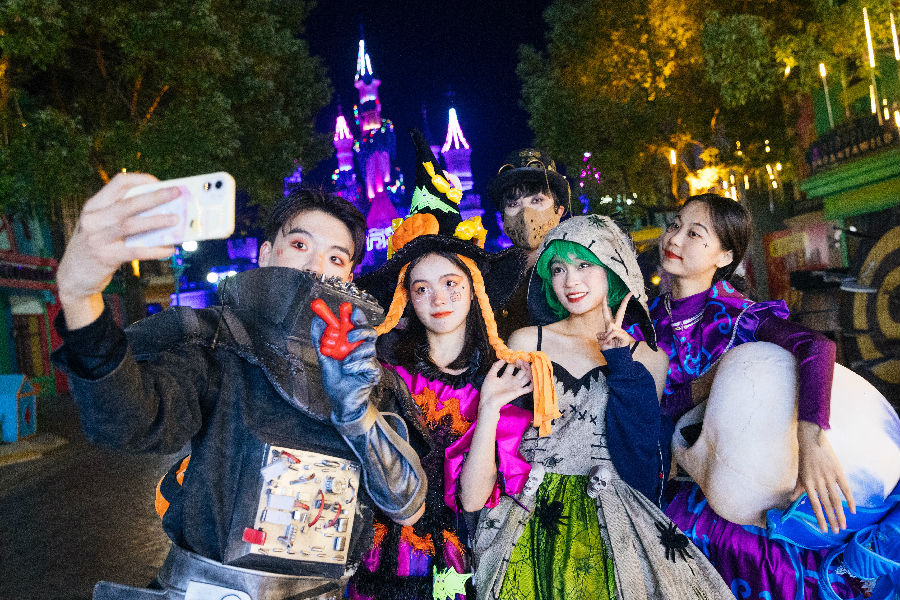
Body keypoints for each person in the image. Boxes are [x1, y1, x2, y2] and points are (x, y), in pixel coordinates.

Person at [51, 176, 427, 599]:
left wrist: (356, 412)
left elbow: (407, 505)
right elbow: (129, 420)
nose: (316, 267)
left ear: (349, 275)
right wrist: (81, 298)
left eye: (336, 258)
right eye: (300, 245)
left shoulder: (368, 377)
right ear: (266, 254)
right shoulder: (218, 345)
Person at [456, 215, 734, 600]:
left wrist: (621, 364)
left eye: (585, 264)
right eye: (558, 269)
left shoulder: (650, 359)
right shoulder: (526, 342)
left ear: (613, 269)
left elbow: (640, 465)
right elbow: (504, 441)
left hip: (615, 516)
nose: (570, 281)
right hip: (529, 516)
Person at [345, 130, 538, 599]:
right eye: (422, 288)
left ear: (474, 290)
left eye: (451, 283)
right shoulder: (384, 374)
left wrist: (488, 409)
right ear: (407, 300)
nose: (439, 298)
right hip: (376, 554)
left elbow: (472, 500)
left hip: (458, 559)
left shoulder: (496, 377)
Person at [651, 193, 864, 598]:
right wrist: (700, 388)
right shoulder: (641, 321)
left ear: (724, 256)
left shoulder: (741, 317)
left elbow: (816, 347)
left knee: (769, 559)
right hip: (671, 479)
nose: (674, 238)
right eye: (675, 225)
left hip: (749, 491)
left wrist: (811, 440)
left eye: (695, 233)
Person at [487, 149, 570, 339]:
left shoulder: (576, 268)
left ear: (559, 210)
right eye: (513, 204)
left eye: (536, 200)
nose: (525, 214)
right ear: (503, 217)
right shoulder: (492, 273)